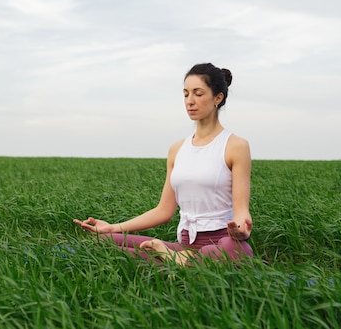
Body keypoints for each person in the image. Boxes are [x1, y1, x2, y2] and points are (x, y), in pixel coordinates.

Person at [73, 63, 253, 265]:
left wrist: (241, 230)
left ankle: (169, 259)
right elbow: (163, 211)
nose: (190, 101)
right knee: (103, 240)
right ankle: (178, 260)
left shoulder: (235, 146)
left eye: (198, 94)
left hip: (219, 243)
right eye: (186, 94)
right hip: (186, 244)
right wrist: (112, 227)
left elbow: (241, 211)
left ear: (217, 98)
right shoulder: (177, 149)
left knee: (236, 249)